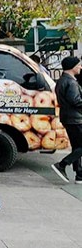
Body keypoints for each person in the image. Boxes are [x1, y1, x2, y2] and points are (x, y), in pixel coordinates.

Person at [51, 56, 82, 184]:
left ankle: (79, 174)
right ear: (72, 66)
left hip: (68, 117)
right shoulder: (71, 82)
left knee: (77, 147)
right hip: (75, 118)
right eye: (79, 65)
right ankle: (62, 164)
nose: (80, 67)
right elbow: (75, 101)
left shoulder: (62, 80)